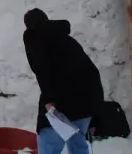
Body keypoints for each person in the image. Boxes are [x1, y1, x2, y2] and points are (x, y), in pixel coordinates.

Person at [23, 8, 104, 154]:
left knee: (49, 145)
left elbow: (44, 71)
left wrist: (49, 100)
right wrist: (96, 114)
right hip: (86, 104)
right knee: (78, 145)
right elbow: (92, 74)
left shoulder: (36, 40)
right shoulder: (69, 41)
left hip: (60, 107)